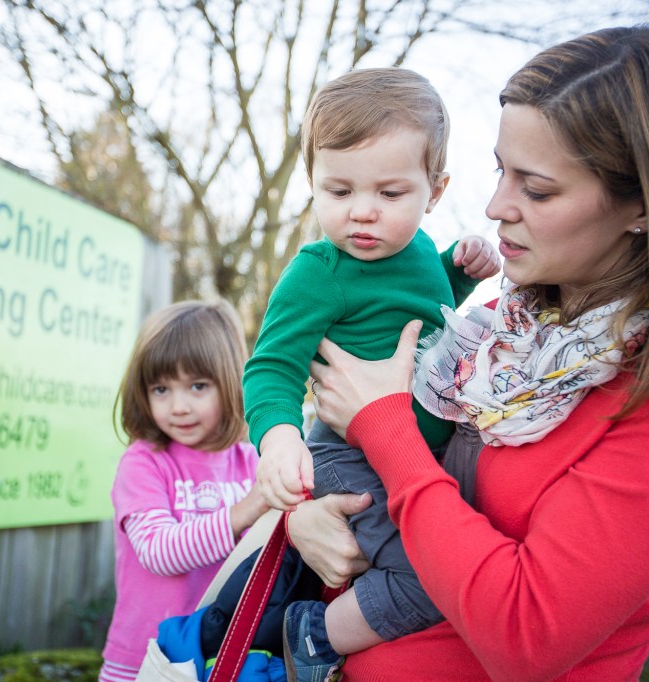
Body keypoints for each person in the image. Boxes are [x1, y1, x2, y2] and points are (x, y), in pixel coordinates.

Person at [279, 24, 649, 681]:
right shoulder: (502, 332)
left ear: (644, 205)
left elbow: (527, 635)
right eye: (500, 171)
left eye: (536, 189)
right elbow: (377, 484)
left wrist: (386, 429)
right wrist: (307, 517)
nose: (495, 207)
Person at [243, 67, 500, 680]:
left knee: (446, 553)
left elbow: (418, 309)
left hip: (410, 451)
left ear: (434, 191)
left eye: (389, 194)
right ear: (312, 182)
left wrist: (459, 271)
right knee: (434, 577)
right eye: (338, 191)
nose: (362, 213)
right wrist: (277, 438)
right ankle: (314, 635)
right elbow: (272, 365)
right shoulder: (317, 272)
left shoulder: (418, 250)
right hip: (349, 454)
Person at [99, 300, 269, 682]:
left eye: (197, 386)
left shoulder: (252, 461)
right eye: (161, 389)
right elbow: (157, 550)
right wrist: (243, 512)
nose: (178, 406)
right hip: (144, 660)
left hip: (222, 658)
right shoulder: (143, 463)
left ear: (229, 383)